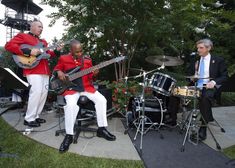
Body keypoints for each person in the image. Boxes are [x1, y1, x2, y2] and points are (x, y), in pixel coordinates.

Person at [53, 40, 116, 152]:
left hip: (86, 87)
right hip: (71, 89)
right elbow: (57, 68)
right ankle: (69, 135)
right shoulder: (63, 58)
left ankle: (101, 129)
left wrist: (95, 74)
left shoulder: (87, 60)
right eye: (77, 52)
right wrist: (59, 72)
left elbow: (92, 77)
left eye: (81, 51)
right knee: (71, 106)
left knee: (102, 100)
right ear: (71, 50)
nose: (80, 53)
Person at [5, 20, 63, 127]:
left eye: (42, 27)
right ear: (32, 27)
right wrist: (28, 51)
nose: (41, 29)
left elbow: (49, 54)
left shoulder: (43, 42)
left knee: (43, 94)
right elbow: (8, 46)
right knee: (36, 93)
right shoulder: (23, 36)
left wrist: (57, 50)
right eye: (39, 26)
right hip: (32, 69)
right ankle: (29, 118)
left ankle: (36, 116)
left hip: (45, 71)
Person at [168, 38, 228, 140]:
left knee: (205, 98)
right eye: (198, 48)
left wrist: (213, 82)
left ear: (208, 48)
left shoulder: (218, 60)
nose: (198, 50)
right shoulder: (195, 60)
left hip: (209, 86)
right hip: (196, 86)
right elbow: (190, 74)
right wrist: (192, 77)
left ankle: (203, 128)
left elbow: (224, 76)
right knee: (174, 92)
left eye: (201, 48)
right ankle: (172, 119)